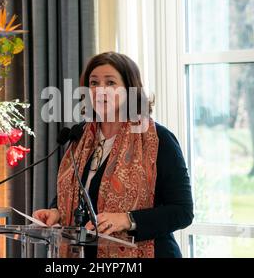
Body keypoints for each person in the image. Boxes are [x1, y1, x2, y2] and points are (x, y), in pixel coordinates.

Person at [33, 52, 193, 258]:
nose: (100, 90)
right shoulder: (81, 137)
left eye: (110, 83)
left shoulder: (158, 139)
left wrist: (127, 219)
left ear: (130, 89)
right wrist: (56, 212)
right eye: (94, 83)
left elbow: (183, 211)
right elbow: (78, 193)